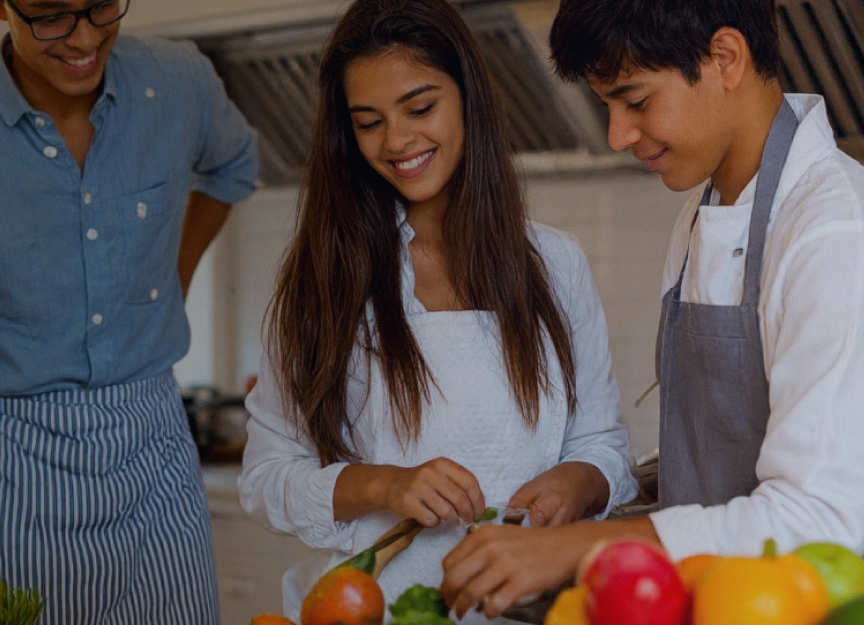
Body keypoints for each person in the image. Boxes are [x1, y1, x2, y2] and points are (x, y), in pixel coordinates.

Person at [441, 1, 864, 622]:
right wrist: (603, 487)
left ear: (725, 58)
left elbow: (819, 520)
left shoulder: (833, 231)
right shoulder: (704, 216)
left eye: (635, 101)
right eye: (607, 106)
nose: (618, 135)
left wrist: (578, 546)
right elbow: (723, 456)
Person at [237, 0, 636, 622]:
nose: (397, 141)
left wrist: (579, 482)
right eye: (368, 122)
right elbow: (265, 482)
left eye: (420, 108)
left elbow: (602, 442)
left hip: (532, 611)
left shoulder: (554, 264)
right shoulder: (326, 279)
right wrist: (385, 484)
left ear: (468, 99)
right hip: (369, 611)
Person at [0, 0, 258, 622]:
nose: (84, 38)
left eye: (102, 5)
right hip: (19, 471)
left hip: (157, 452)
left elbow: (234, 166)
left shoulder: (178, 83)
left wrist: (170, 279)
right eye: (51, 14)